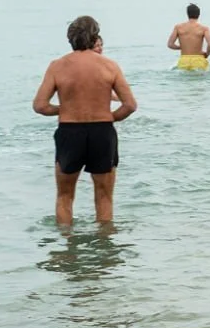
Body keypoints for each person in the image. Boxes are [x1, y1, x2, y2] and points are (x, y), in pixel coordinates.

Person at [33, 15, 137, 225]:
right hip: (102, 132)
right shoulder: (109, 66)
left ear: (71, 38)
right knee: (104, 197)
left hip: (70, 132)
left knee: (65, 197)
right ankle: (105, 250)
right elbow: (129, 105)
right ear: (94, 36)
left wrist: (66, 108)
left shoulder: (57, 66)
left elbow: (40, 106)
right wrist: (109, 117)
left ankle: (66, 250)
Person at [168, 3, 210, 70]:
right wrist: (207, 54)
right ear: (199, 14)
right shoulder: (204, 28)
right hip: (198, 60)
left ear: (187, 14)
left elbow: (170, 44)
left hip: (184, 60)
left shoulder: (178, 27)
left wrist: (183, 47)